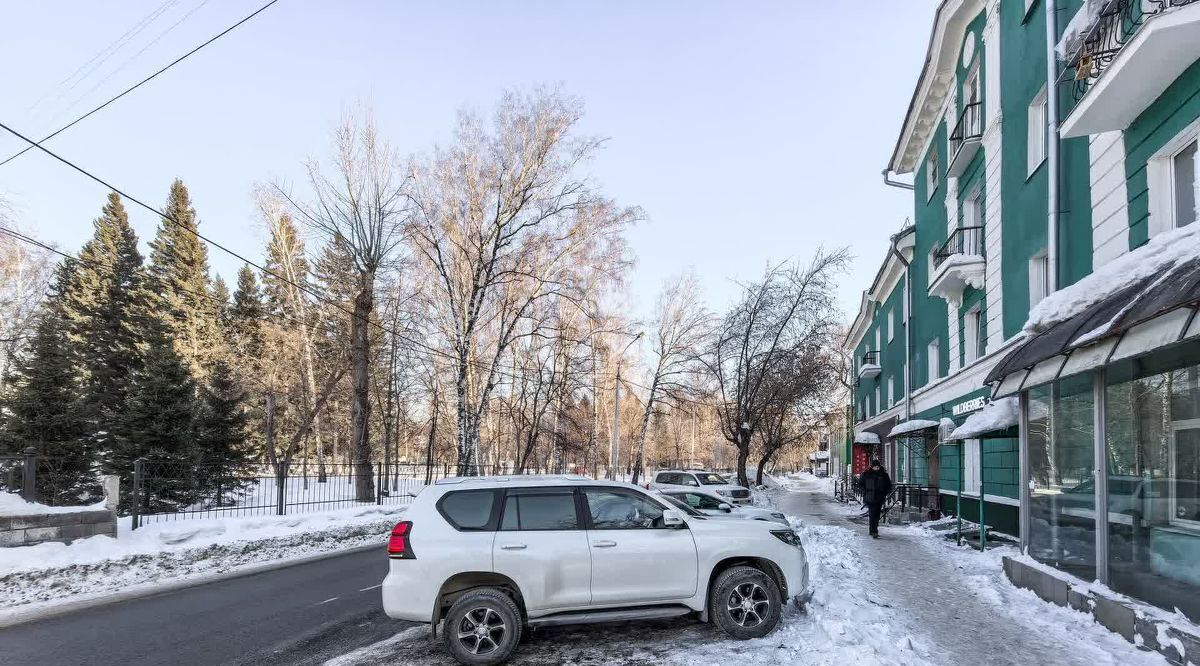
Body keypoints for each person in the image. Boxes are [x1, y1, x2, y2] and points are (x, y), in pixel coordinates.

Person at [859, 458, 892, 538]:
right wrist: (865, 491)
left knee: (877, 514)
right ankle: (873, 530)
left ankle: (874, 529)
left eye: (878, 467)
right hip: (870, 497)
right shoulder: (866, 474)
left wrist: (885, 492)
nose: (877, 468)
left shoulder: (883, 474)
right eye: (875, 467)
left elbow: (888, 485)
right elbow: (860, 484)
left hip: (880, 497)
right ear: (872, 467)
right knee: (872, 514)